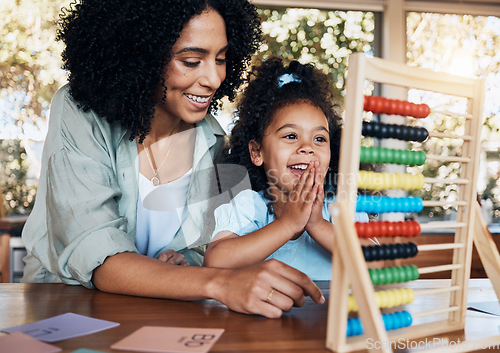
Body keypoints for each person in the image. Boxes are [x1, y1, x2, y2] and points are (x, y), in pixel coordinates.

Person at [21, 0, 324, 319]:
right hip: (63, 309)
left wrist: (182, 265)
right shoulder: (79, 112)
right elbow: (95, 252)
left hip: (158, 312)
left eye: (220, 59)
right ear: (141, 56)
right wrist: (220, 282)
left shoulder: (214, 141)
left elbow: (200, 250)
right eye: (192, 61)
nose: (213, 79)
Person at [204, 57, 368, 280]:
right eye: (291, 136)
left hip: (331, 315)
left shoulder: (342, 208)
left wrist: (318, 225)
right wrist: (288, 224)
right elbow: (215, 263)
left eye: (320, 139)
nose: (307, 148)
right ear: (257, 152)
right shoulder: (250, 207)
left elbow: (377, 262)